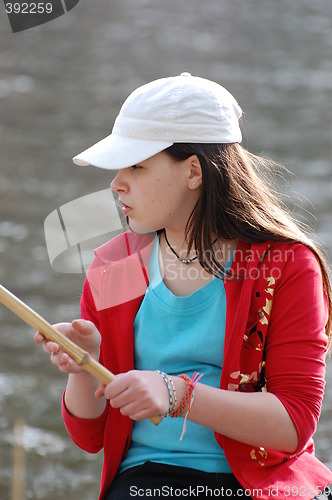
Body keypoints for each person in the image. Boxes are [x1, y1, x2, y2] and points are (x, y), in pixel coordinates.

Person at [35, 73, 332, 499]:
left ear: (194, 171)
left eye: (136, 165)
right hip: (147, 482)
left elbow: (293, 423)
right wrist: (85, 365)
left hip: (261, 485)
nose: (117, 183)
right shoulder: (113, 266)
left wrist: (178, 395)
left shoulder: (284, 266)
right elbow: (90, 436)